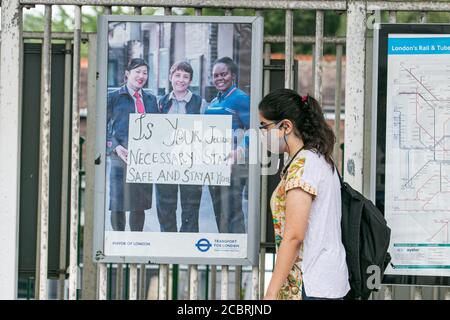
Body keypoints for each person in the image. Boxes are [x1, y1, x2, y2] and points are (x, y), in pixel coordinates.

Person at [259, 89, 350, 300]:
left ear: (286, 126)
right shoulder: (318, 159)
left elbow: (293, 236)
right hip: (327, 280)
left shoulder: (303, 166)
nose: (263, 134)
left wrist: (272, 291)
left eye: (265, 127)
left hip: (312, 284)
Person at [106, 58, 158, 231]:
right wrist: (115, 147)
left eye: (145, 72)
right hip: (120, 158)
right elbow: (101, 127)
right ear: (127, 74)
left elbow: (158, 128)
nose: (141, 76)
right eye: (137, 71)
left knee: (139, 205)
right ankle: (119, 246)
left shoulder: (151, 100)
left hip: (143, 159)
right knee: (118, 204)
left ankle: (136, 246)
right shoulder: (113, 97)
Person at [155, 61, 207, 232]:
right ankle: (169, 249)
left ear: (190, 80)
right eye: (177, 75)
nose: (181, 80)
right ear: (170, 77)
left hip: (191, 165)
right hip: (165, 165)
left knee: (190, 211)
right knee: (165, 210)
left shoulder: (201, 103)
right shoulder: (159, 103)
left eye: (186, 76)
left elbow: (207, 134)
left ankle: (188, 251)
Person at [204, 57, 250, 234]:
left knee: (233, 209)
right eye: (216, 75)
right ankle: (223, 248)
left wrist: (240, 150)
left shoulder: (240, 98)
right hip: (214, 164)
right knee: (219, 210)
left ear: (233, 75)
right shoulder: (214, 102)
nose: (219, 78)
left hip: (234, 165)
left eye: (224, 74)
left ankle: (237, 251)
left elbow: (254, 128)